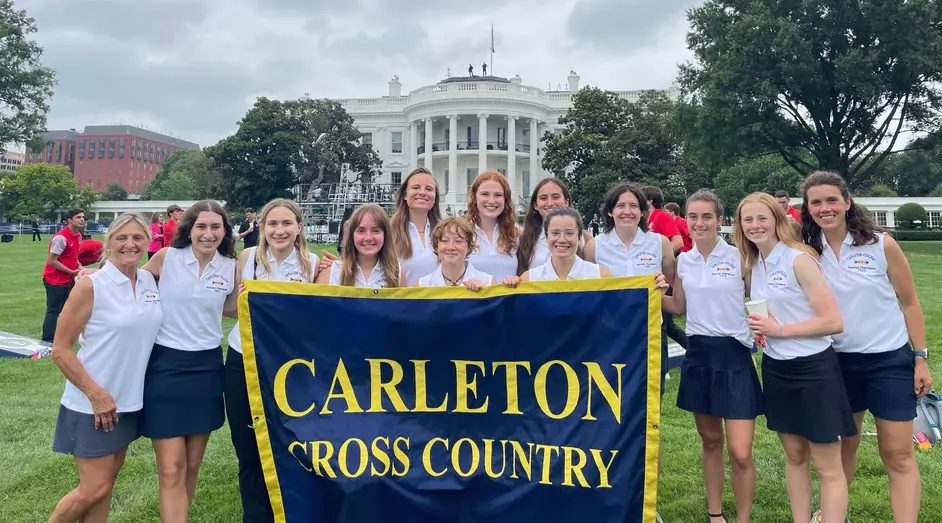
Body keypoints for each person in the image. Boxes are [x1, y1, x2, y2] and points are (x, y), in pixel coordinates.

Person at [801, 171, 932, 523]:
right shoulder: (807, 250)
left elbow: (910, 302)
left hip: (889, 362)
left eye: (832, 200)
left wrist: (920, 358)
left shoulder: (880, 244)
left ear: (847, 202)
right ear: (808, 208)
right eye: (817, 202)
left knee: (897, 453)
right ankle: (833, 515)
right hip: (835, 363)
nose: (825, 208)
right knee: (843, 449)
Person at [736, 192, 851, 523]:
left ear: (777, 220)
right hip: (776, 369)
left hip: (814, 369)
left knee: (827, 465)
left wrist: (780, 330)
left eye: (762, 218)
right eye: (748, 220)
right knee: (795, 456)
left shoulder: (799, 260)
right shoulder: (754, 264)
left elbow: (833, 321)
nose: (755, 225)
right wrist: (765, 330)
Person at [48, 213, 163, 523]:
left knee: (106, 484)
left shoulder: (149, 280)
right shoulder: (91, 285)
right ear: (109, 242)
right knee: (94, 487)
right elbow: (60, 349)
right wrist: (96, 394)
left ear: (148, 241)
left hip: (128, 402)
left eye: (137, 237)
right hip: (92, 403)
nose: (130, 244)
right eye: (121, 238)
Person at [662, 190, 762, 523]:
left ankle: (743, 518)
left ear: (720, 220)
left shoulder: (740, 257)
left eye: (707, 216)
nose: (699, 223)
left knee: (741, 451)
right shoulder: (684, 261)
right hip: (699, 355)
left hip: (734, 355)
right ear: (686, 219)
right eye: (693, 216)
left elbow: (761, 298)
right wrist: (643, 289)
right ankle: (715, 513)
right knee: (710, 440)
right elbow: (678, 306)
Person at [141, 200, 239, 522]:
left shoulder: (230, 266)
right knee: (171, 467)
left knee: (192, 465)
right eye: (201, 226)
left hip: (207, 368)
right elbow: (129, 283)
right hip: (165, 366)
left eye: (215, 227)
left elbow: (232, 308)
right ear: (189, 229)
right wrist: (93, 276)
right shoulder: (166, 257)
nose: (208, 234)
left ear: (225, 231)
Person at [225, 199, 317, 522]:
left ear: (299, 227)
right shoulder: (248, 258)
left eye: (287, 223)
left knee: (293, 445)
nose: (279, 230)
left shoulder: (314, 265)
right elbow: (229, 309)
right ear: (262, 228)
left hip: (291, 367)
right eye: (272, 224)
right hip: (244, 359)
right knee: (248, 447)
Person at [595, 183, 677, 391]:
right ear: (610, 211)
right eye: (620, 205)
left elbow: (673, 284)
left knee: (652, 395)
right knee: (612, 394)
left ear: (642, 211)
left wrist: (662, 288)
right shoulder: (594, 247)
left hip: (651, 332)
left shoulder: (660, 243)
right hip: (610, 334)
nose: (627, 211)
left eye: (633, 206)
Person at [516, 177, 596, 275]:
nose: (550, 203)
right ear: (535, 205)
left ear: (566, 202)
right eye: (543, 198)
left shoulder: (585, 239)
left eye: (556, 197)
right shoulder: (523, 239)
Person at [509, 208, 612, 282]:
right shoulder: (529, 279)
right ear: (547, 236)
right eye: (555, 233)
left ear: (579, 236)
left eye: (569, 233)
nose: (562, 240)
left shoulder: (601, 276)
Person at [316, 203, 405, 288]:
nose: (368, 238)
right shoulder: (331, 272)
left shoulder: (397, 273)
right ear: (352, 235)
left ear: (385, 235)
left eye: (375, 231)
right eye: (361, 231)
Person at [390, 168, 442, 285]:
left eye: (429, 189)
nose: (422, 193)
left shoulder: (445, 232)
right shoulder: (389, 232)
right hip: (405, 296)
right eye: (416, 187)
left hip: (440, 296)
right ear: (405, 195)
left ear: (435, 198)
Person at [41, 208, 86, 343]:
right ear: (69, 220)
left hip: (68, 279)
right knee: (53, 310)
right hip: (54, 279)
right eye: (78, 217)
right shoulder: (61, 238)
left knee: (66, 309)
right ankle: (47, 341)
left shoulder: (78, 235)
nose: (82, 219)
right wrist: (71, 272)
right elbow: (52, 261)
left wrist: (79, 266)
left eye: (83, 217)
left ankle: (62, 338)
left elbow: (73, 256)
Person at [467, 171, 519, 282]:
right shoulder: (462, 233)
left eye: (498, 195)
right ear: (475, 197)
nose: (491, 201)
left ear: (505, 199)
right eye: (485, 194)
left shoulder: (517, 234)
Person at [418, 217, 493, 289]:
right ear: (436, 246)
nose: (451, 247)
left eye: (458, 241)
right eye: (444, 241)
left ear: (469, 246)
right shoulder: (421, 286)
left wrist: (485, 293)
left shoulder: (488, 283)